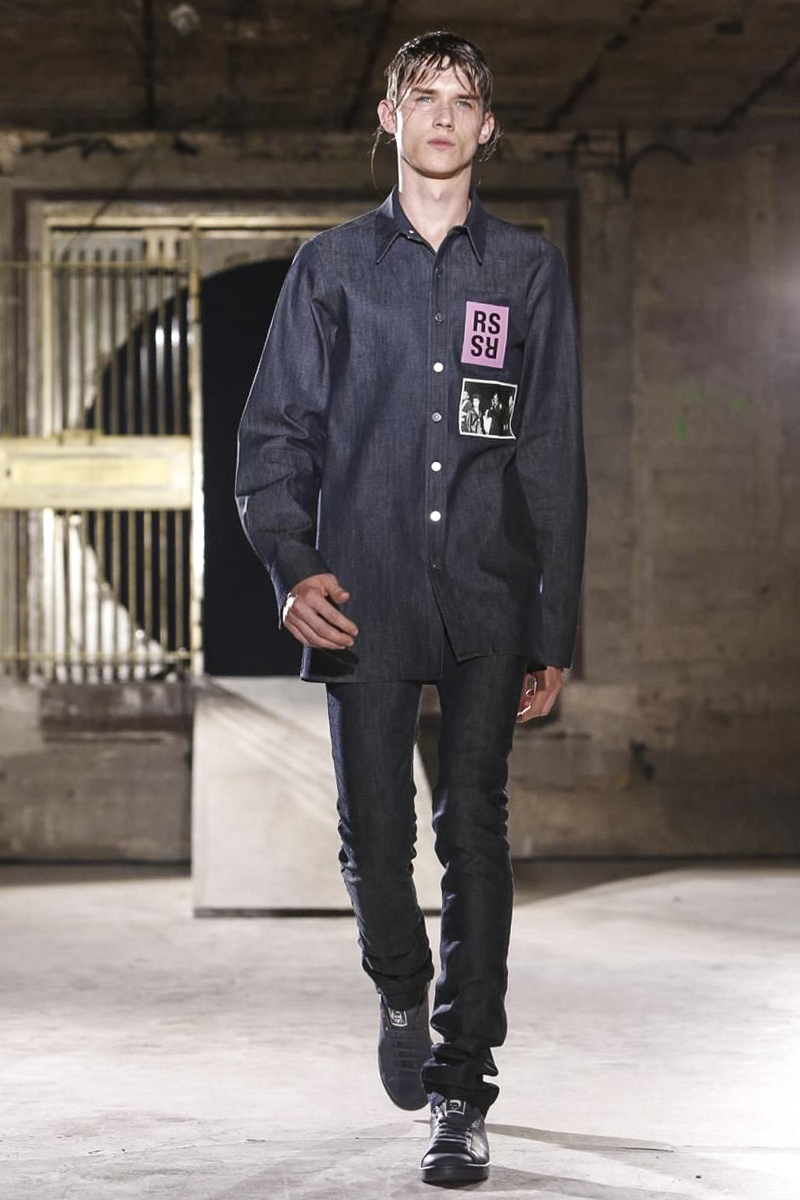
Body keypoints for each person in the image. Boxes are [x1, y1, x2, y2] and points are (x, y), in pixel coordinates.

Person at [235, 29, 587, 1188]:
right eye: (420, 95)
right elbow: (276, 434)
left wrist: (551, 626)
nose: (441, 114)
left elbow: (548, 452)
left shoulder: (525, 269)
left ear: (488, 127)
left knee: (472, 828)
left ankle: (460, 1083)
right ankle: (398, 983)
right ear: (386, 117)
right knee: (375, 836)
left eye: (462, 98)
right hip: (364, 589)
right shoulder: (330, 266)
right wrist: (292, 564)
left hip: (487, 587)